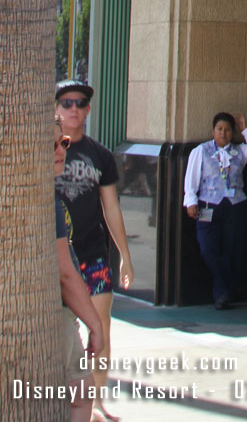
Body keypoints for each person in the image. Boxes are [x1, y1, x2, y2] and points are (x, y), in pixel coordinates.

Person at [54, 80, 134, 375]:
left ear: (88, 109)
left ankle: (98, 400)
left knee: (100, 327)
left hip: (93, 254)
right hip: (55, 259)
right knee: (60, 332)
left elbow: (111, 207)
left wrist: (125, 254)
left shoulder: (100, 155)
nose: (73, 109)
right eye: (66, 103)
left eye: (79, 104)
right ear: (56, 108)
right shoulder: (44, 152)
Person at [183, 110, 247, 309]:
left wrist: (246, 130)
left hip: (235, 206)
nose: (223, 133)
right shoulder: (200, 151)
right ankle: (227, 286)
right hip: (208, 205)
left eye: (228, 130)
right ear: (213, 131)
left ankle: (222, 294)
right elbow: (191, 179)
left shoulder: (240, 151)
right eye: (219, 129)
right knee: (207, 248)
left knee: (232, 249)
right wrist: (191, 201)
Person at [55, 119, 104, 422]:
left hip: (60, 314)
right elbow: (64, 272)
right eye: (51, 145)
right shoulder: (45, 200)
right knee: (80, 394)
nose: (61, 150)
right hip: (57, 314)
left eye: (63, 142)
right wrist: (95, 326)